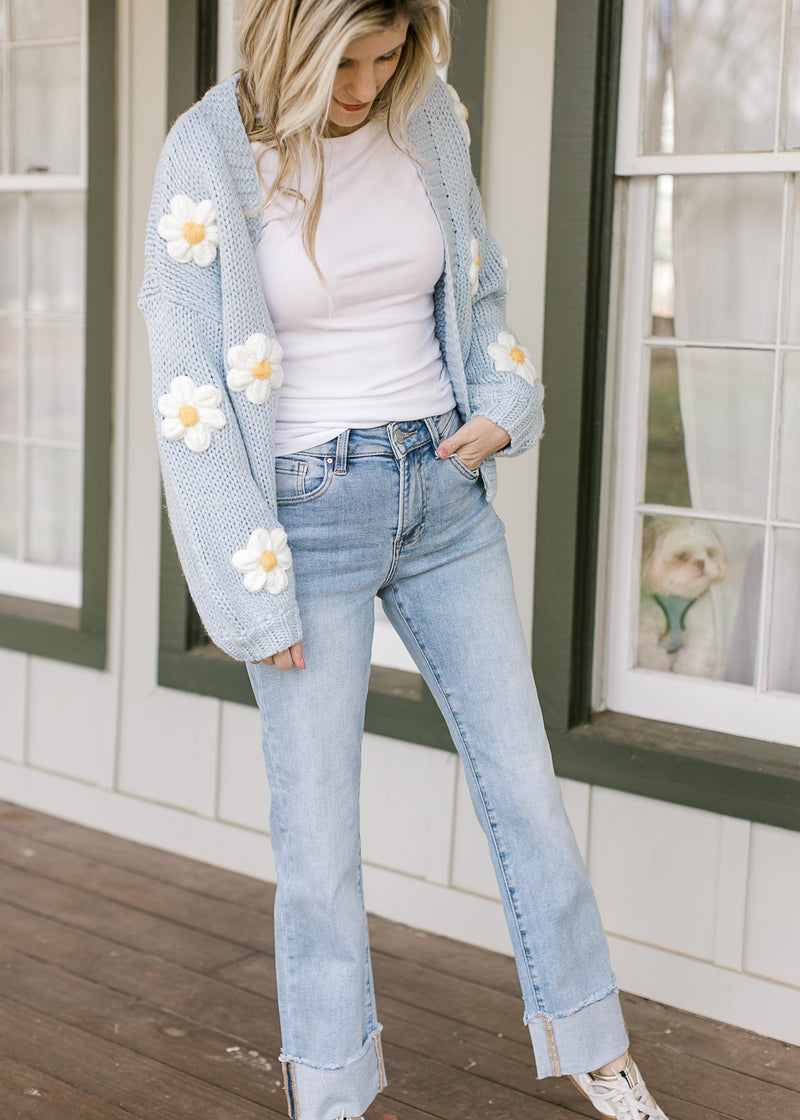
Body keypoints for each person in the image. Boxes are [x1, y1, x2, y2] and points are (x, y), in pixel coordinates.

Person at [139, 2, 670, 1118]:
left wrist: (502, 402)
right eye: (346, 62)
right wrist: (249, 589)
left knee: (524, 786)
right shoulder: (207, 153)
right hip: (304, 519)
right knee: (320, 842)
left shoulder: (426, 118)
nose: (365, 86)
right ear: (290, 42)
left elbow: (476, 286)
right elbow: (187, 395)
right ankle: (331, 1095)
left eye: (387, 59)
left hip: (442, 493)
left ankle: (595, 1050)